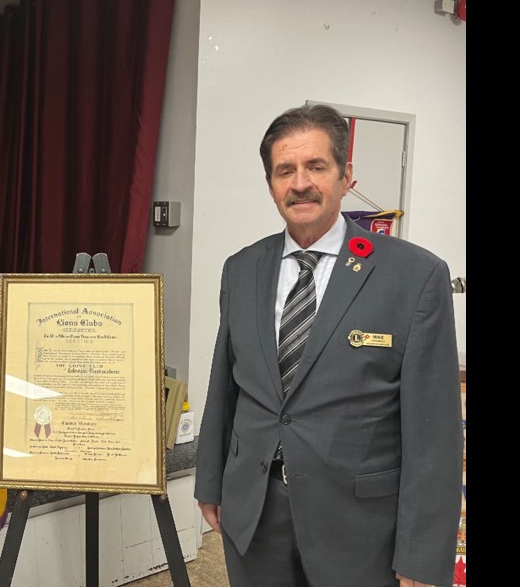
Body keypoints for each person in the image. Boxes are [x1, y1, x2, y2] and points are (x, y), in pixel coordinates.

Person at [193, 104, 463, 587]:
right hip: (255, 514)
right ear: (272, 183)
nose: (300, 183)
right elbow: (225, 387)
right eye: (285, 170)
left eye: (316, 167)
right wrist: (210, 481)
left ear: (345, 175)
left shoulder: (416, 276)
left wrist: (423, 555)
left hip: (360, 527)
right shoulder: (242, 269)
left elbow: (435, 434)